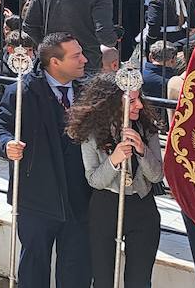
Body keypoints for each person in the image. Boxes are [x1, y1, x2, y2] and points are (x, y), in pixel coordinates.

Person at [0, 32, 92, 288]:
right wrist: (7, 144)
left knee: (77, 269)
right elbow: (0, 125)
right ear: (55, 62)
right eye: (76, 56)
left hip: (80, 197)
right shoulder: (23, 91)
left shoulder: (88, 92)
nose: (84, 60)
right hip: (36, 196)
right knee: (34, 269)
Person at [66, 74, 163, 288]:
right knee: (103, 278)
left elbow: (157, 176)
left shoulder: (147, 128)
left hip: (141, 206)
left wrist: (142, 150)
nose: (138, 104)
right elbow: (94, 180)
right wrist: (114, 160)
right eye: (131, 100)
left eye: (139, 98)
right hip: (106, 207)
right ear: (112, 103)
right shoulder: (92, 132)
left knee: (139, 280)